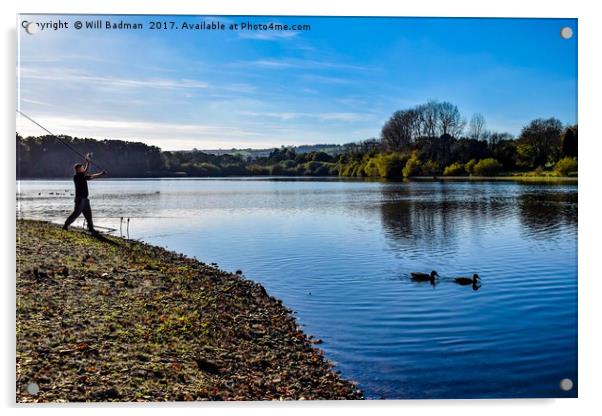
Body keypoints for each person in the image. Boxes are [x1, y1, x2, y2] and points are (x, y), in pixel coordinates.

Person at [63, 156, 106, 233]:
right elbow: (86, 172)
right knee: (76, 213)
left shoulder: (83, 176)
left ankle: (91, 229)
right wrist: (88, 162)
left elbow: (92, 176)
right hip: (80, 199)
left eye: (83, 167)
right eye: (82, 167)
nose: (83, 168)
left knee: (88, 215)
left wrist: (101, 174)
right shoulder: (77, 177)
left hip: (85, 199)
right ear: (78, 169)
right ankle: (65, 225)